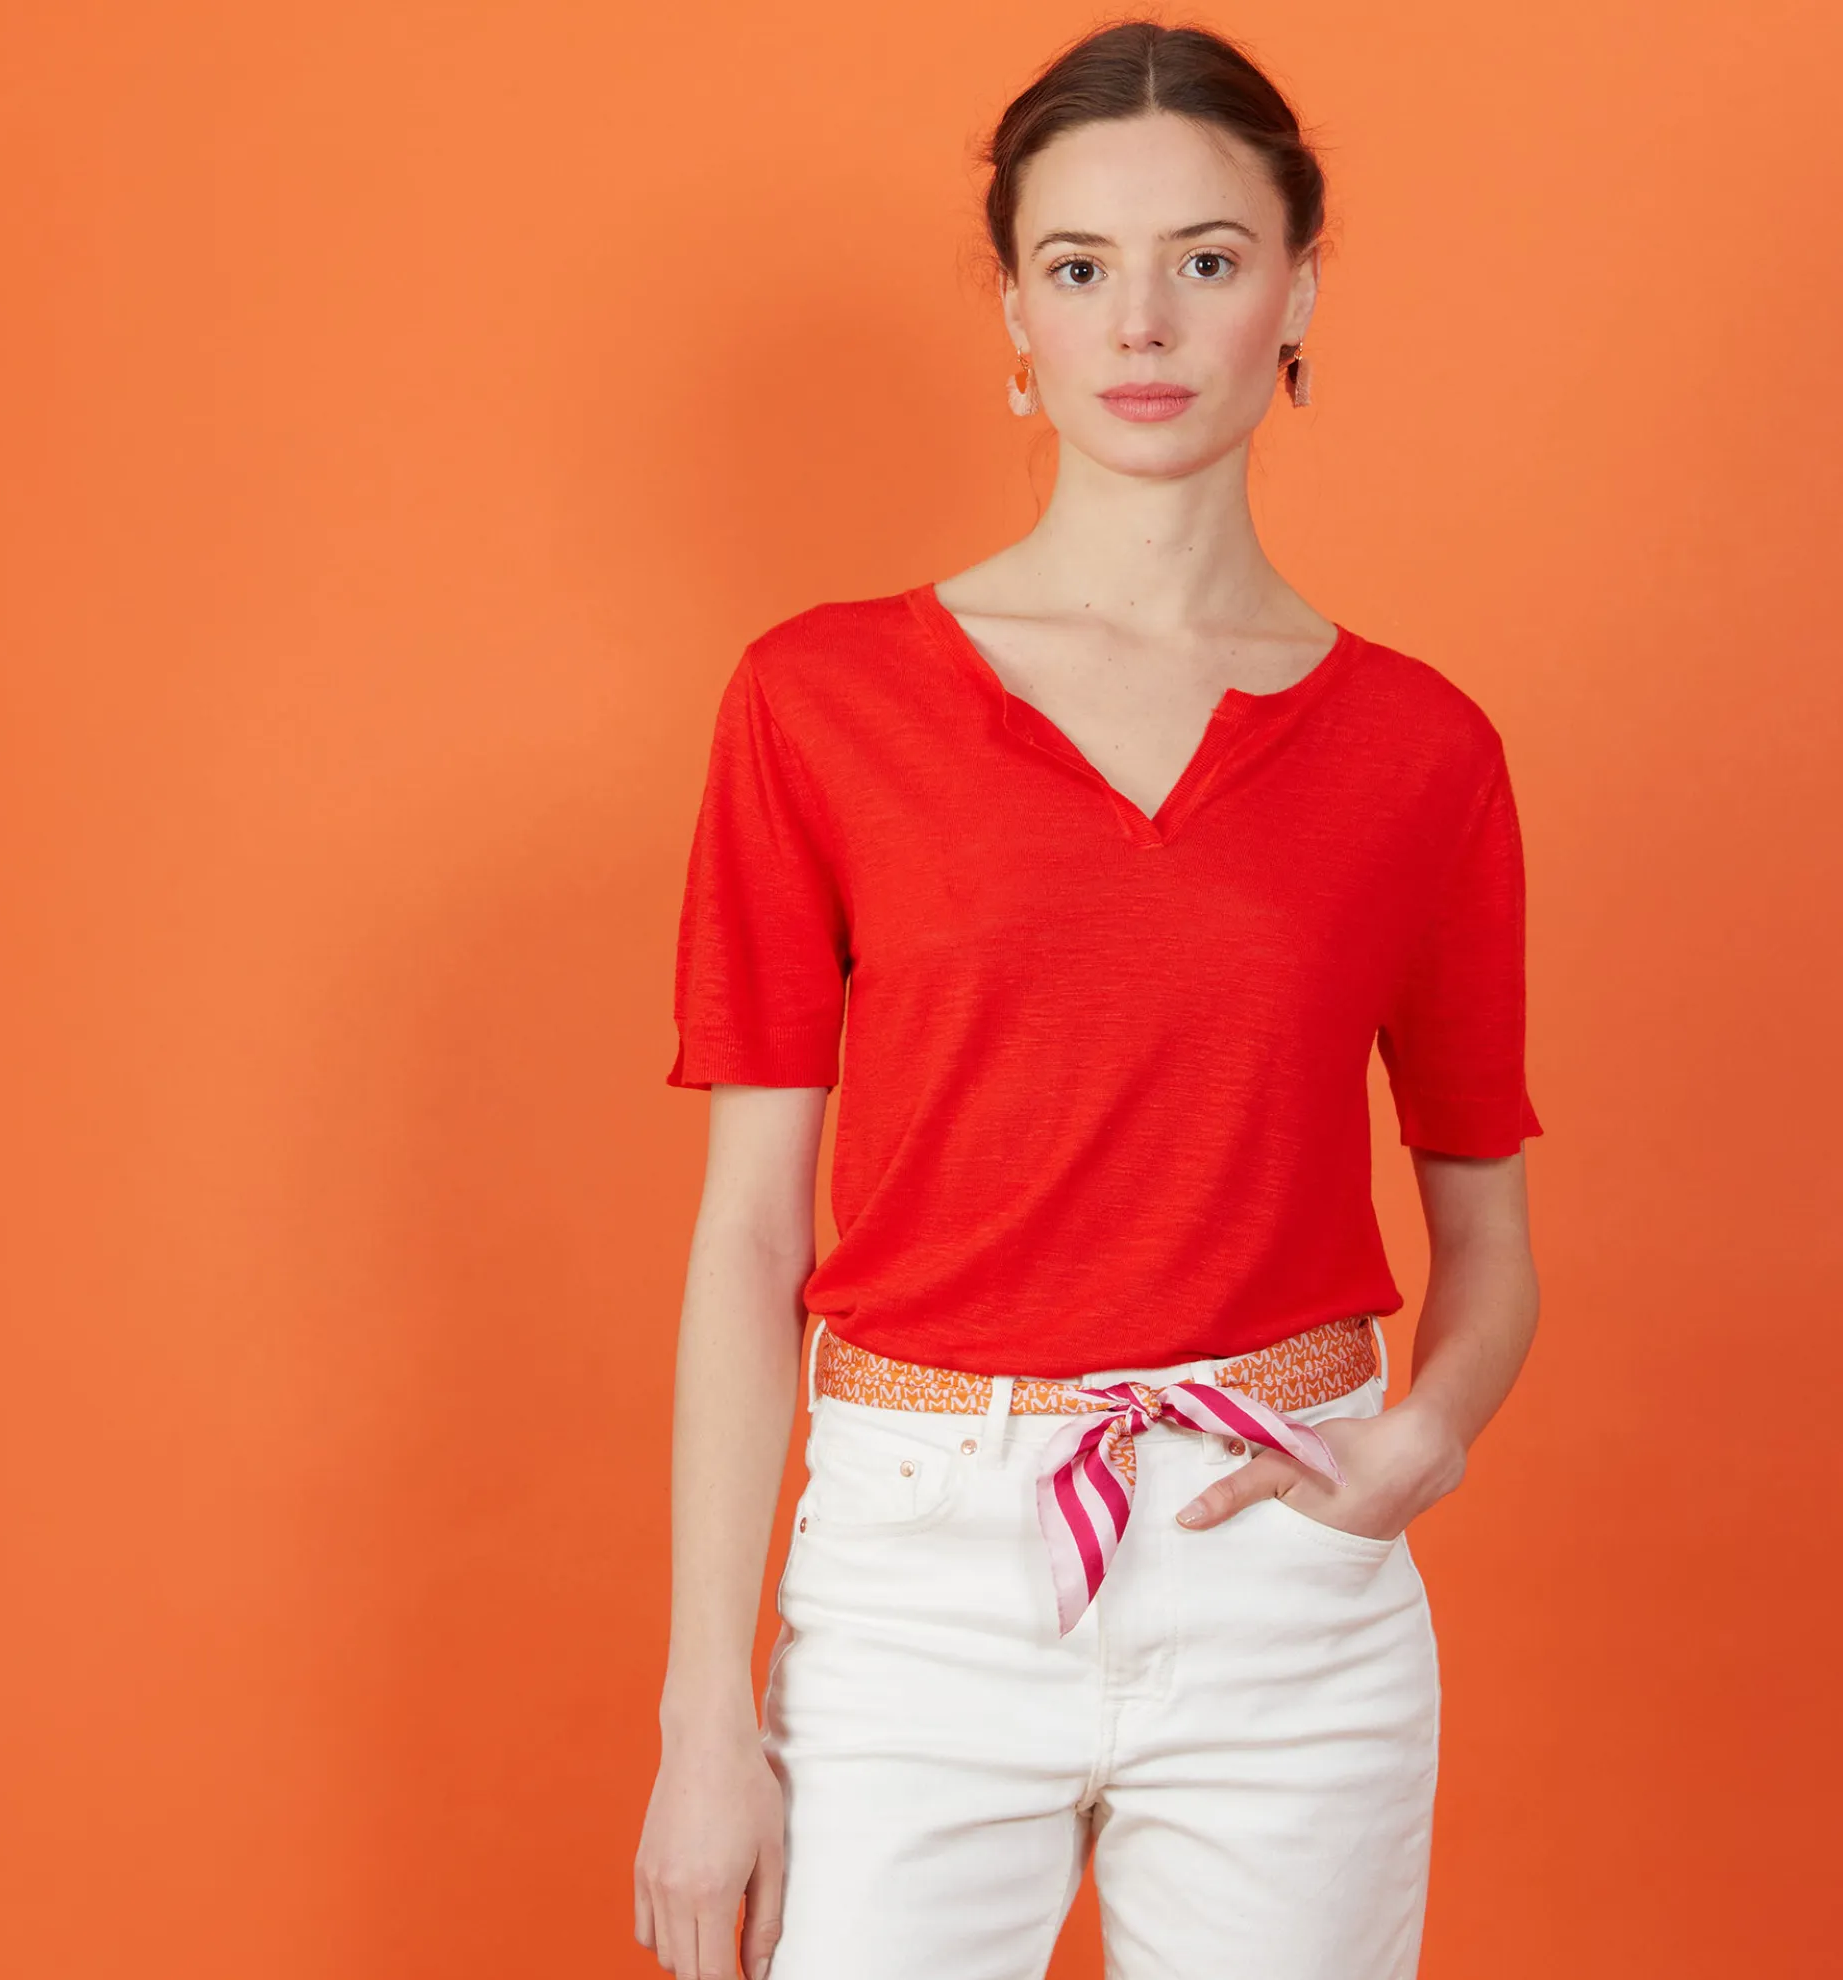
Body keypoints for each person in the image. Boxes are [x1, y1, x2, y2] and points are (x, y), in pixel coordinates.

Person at [633, 20, 1543, 1980]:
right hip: (915, 1583)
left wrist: (1426, 1439)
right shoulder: (818, 705)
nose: (1142, 322)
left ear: (1298, 290)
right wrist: (708, 1717)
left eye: (1207, 259)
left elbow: (1489, 1236)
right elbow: (750, 1240)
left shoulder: (1423, 752)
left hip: (1287, 1574)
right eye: (1079, 265)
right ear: (1015, 313)